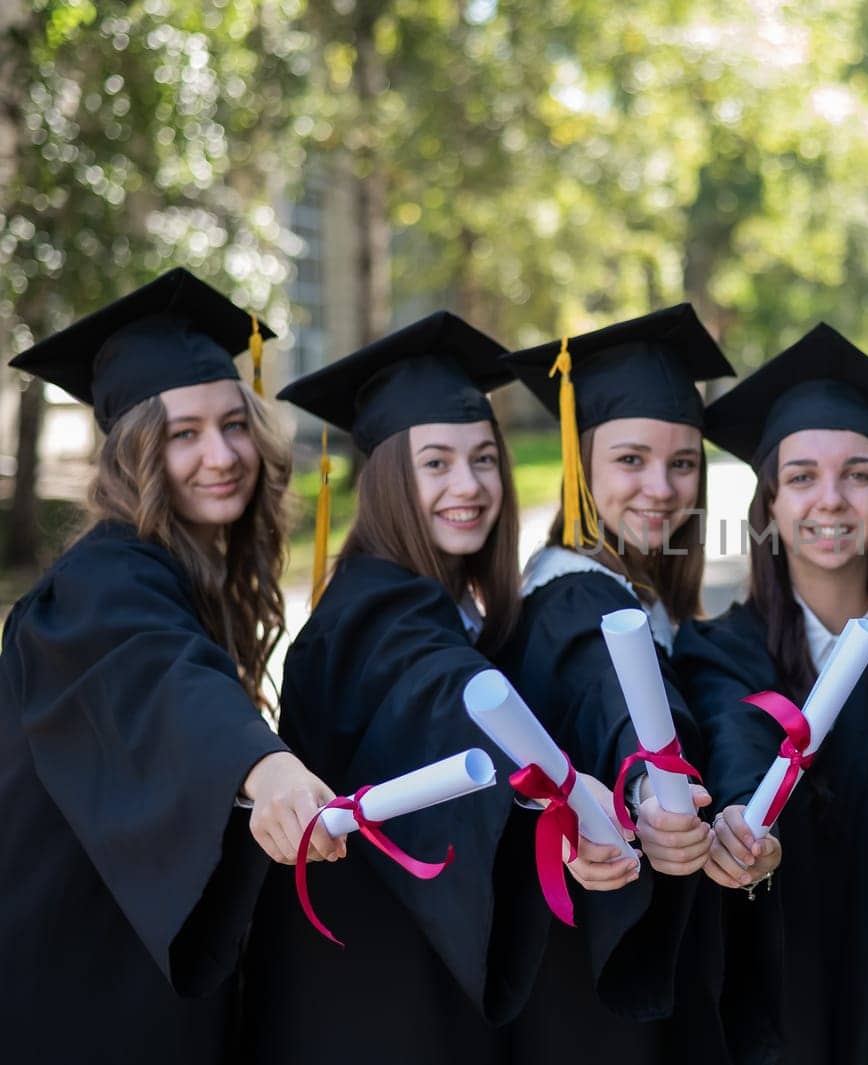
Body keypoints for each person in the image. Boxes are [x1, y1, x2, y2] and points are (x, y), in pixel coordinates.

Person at [247, 311, 628, 1065]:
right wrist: (559, 788)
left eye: (485, 459)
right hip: (373, 999)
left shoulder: (431, 598)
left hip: (401, 981)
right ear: (387, 477)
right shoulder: (378, 607)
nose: (471, 484)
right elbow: (444, 693)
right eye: (437, 463)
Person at [1, 268, 339, 1064]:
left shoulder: (177, 572)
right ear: (132, 451)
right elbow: (166, 676)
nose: (220, 455)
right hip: (70, 981)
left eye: (233, 424)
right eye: (183, 433)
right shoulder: (100, 582)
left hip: (114, 966)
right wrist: (269, 769)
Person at [672, 323, 868, 1063]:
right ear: (769, 504)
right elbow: (736, 738)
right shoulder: (724, 651)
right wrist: (749, 824)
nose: (830, 500)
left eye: (859, 474)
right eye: (802, 476)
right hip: (792, 1014)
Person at [494, 304, 733, 1061]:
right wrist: (646, 785)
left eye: (683, 462)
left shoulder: (630, 586)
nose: (661, 487)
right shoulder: (578, 595)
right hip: (588, 982)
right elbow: (614, 694)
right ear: (579, 464)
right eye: (630, 459)